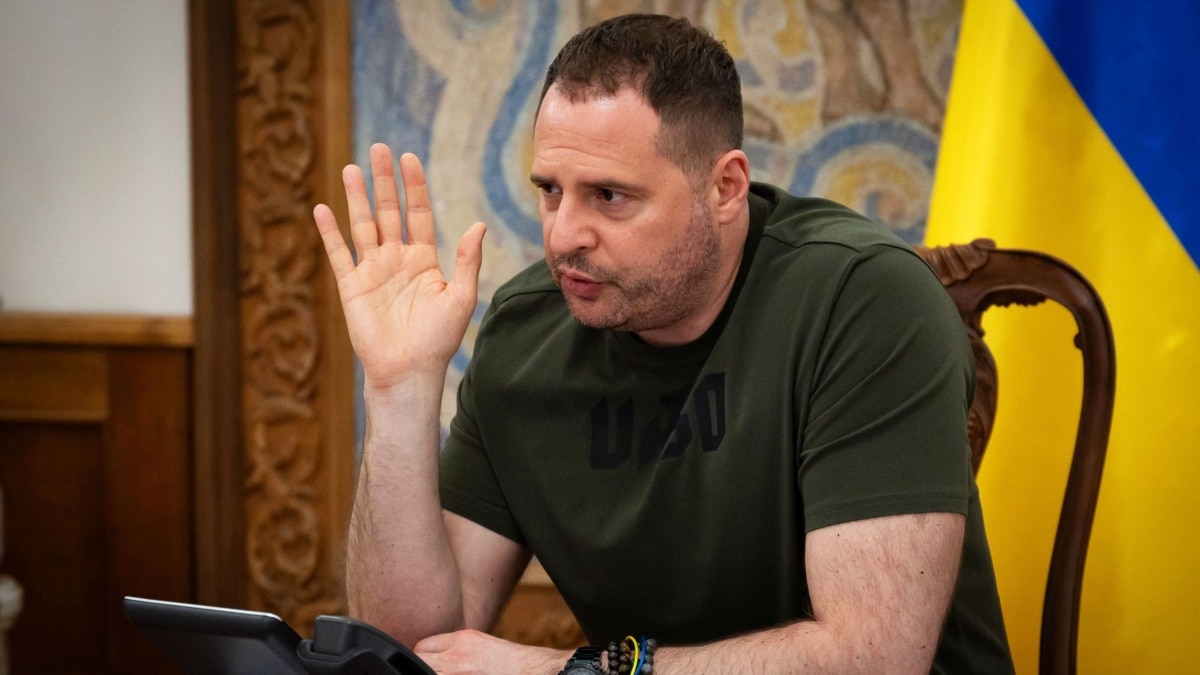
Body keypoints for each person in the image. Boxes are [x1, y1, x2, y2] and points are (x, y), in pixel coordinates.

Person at [313, 13, 1013, 675]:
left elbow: (873, 657)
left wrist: (572, 669)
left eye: (609, 196)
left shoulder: (864, 301)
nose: (563, 235)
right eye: (551, 190)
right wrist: (398, 389)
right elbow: (409, 652)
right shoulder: (525, 333)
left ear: (726, 188)